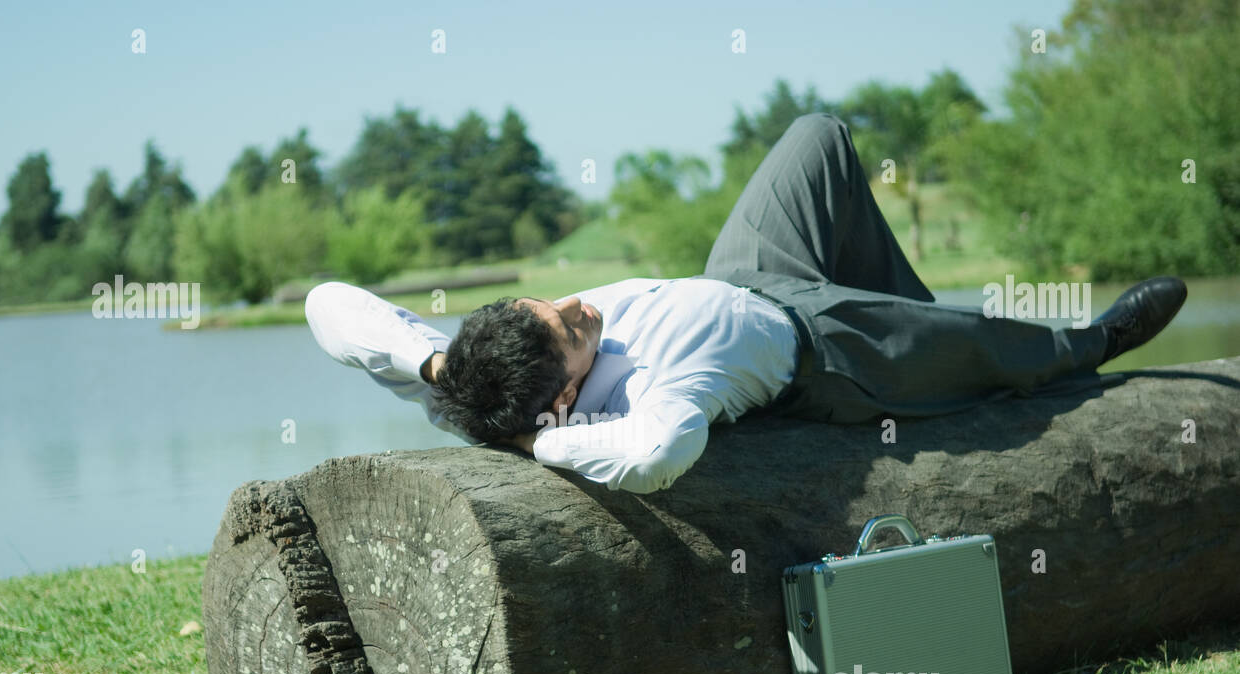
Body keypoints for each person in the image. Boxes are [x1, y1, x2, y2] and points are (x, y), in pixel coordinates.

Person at [305, 113, 1187, 494]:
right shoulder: (641, 407)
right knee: (987, 352)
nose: (575, 304)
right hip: (820, 345)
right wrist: (543, 442)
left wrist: (430, 361)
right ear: (567, 395)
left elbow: (327, 303)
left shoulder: (467, 377)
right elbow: (658, 455)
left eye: (548, 303)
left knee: (819, 140)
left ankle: (928, 336)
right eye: (569, 328)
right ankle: (1089, 344)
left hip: (748, 270)